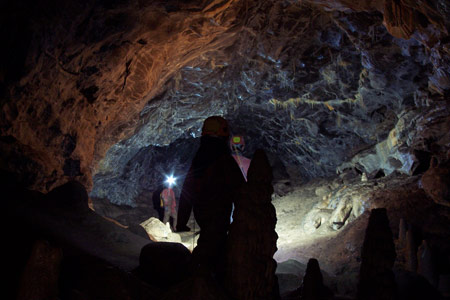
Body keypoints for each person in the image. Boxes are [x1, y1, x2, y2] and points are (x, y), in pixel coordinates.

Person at [178, 116, 245, 278]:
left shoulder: (200, 157)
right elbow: (241, 188)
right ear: (223, 134)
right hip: (219, 210)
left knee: (208, 241)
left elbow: (188, 187)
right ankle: (205, 280)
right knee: (215, 245)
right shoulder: (223, 158)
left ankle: (200, 278)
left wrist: (182, 220)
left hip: (201, 211)